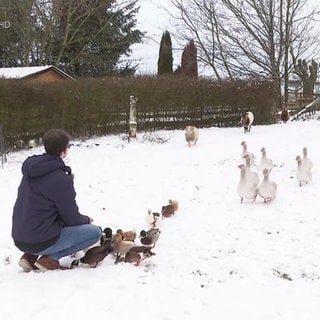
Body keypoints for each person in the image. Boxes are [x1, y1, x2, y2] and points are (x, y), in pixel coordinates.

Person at [11, 128, 102, 272]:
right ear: (65, 150)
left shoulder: (31, 170)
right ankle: (50, 259)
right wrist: (86, 220)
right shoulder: (60, 179)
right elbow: (71, 218)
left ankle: (29, 257)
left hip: (20, 237)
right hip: (40, 239)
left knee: (47, 222)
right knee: (95, 232)